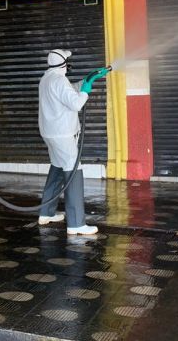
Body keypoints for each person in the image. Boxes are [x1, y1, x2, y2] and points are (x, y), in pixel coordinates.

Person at [37, 49, 109, 235]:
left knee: (57, 167)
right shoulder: (59, 80)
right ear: (63, 64)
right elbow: (76, 104)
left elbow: (66, 92)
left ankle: (46, 213)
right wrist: (86, 91)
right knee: (73, 171)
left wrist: (87, 80)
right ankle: (76, 224)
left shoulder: (47, 78)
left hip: (50, 133)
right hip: (62, 135)